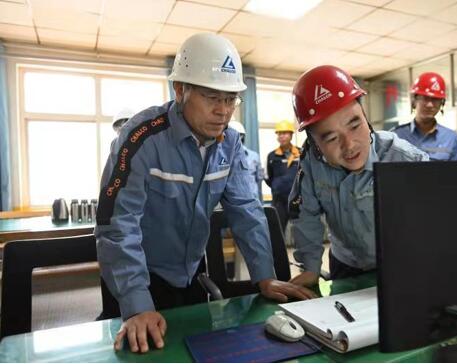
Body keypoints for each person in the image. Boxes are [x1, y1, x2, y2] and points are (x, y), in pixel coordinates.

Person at [95, 33, 315, 354]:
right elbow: (117, 226)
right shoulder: (141, 139)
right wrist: (137, 304)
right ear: (180, 89)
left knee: (197, 351)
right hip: (137, 276)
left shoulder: (230, 143)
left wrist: (264, 277)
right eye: (213, 97)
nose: (223, 112)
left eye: (231, 100)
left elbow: (246, 211)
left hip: (191, 274)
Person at [287, 65, 429, 288]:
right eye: (331, 138)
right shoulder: (311, 165)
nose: (349, 145)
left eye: (355, 125)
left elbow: (435, 219)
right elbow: (306, 216)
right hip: (345, 264)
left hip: (400, 264)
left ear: (366, 117)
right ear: (314, 144)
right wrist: (310, 268)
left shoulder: (403, 158)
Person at [392, 72, 457, 161]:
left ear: (442, 104)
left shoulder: (451, 138)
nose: (429, 105)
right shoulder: (397, 136)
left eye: (435, 99)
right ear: (414, 101)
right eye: (425, 98)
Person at [265, 120, 301, 233]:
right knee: (277, 232)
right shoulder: (272, 156)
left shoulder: (301, 153)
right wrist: (278, 187)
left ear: (291, 135)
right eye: (279, 133)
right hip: (279, 201)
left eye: (285, 133)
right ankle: (279, 251)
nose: (282, 136)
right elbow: (268, 178)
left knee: (303, 233)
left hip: (299, 200)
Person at [229, 120, 264, 201]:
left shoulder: (254, 156)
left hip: (252, 203)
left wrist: (260, 203)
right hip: (231, 204)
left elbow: (259, 182)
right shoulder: (221, 158)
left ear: (241, 136)